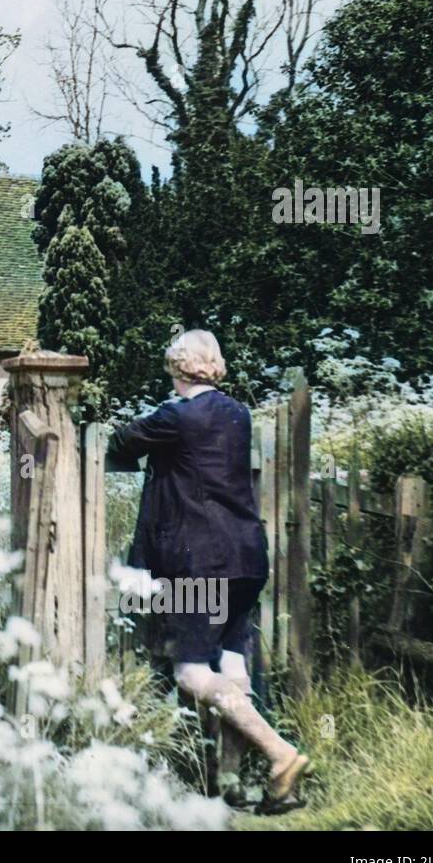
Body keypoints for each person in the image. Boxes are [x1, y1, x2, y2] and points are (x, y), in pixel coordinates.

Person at [108, 329, 309, 805]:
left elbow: (121, 441)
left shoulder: (176, 416)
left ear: (177, 368)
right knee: (233, 668)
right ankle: (232, 784)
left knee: (192, 674)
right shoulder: (238, 414)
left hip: (198, 565)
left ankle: (281, 755)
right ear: (214, 366)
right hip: (245, 560)